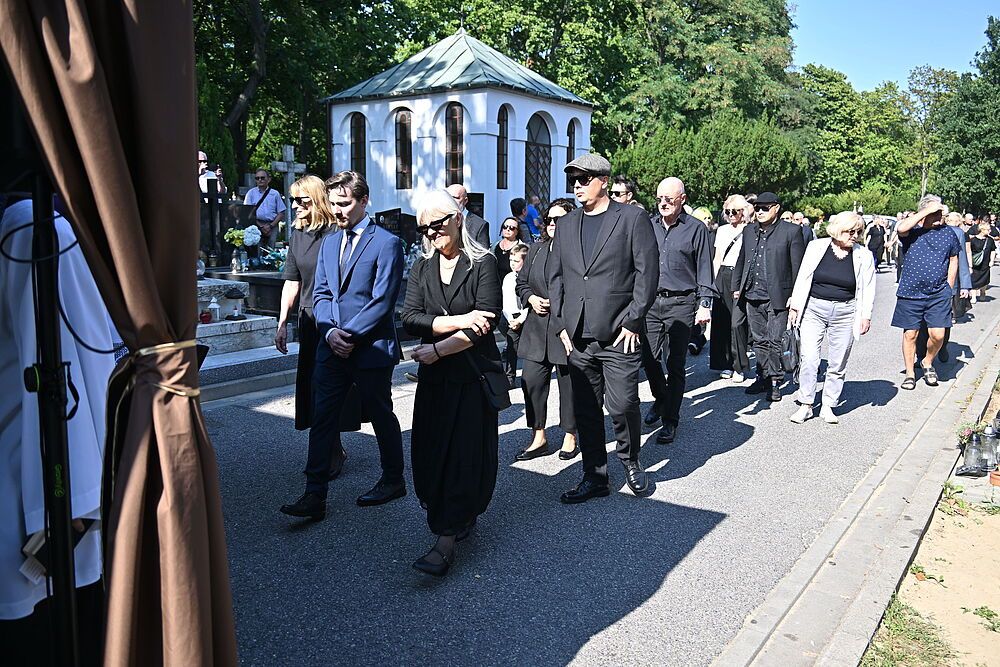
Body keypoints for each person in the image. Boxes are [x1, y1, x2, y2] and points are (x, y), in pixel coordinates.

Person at [0, 200, 114, 657]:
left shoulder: (33, 224)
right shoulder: (32, 227)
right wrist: (76, 511)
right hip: (30, 500)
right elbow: (79, 379)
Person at [279, 171, 405, 520]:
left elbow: (383, 300)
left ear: (364, 201)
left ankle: (394, 479)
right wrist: (330, 332)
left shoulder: (386, 243)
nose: (337, 210)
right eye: (333, 203)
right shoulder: (331, 241)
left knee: (380, 413)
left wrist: (349, 334)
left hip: (370, 347)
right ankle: (314, 493)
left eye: (345, 203)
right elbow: (319, 292)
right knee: (323, 419)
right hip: (330, 345)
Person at [401, 190, 501, 577]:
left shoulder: (483, 263)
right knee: (430, 450)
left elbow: (485, 323)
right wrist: (458, 321)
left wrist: (439, 349)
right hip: (435, 378)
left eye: (437, 224)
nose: (431, 234)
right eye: (424, 228)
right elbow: (410, 317)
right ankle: (452, 515)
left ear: (458, 218)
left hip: (471, 377)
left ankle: (444, 542)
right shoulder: (422, 267)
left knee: (463, 456)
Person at [549, 153, 658, 502]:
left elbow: (646, 273)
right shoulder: (566, 225)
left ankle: (630, 461)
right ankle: (594, 475)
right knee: (585, 409)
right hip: (578, 335)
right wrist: (562, 324)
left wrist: (634, 319)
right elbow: (557, 279)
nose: (578, 186)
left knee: (624, 403)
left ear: (604, 181)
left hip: (619, 332)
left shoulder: (631, 218)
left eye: (584, 179)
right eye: (574, 181)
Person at [274, 175, 346, 478]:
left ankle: (329, 451)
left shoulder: (336, 232)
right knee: (313, 385)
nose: (295, 206)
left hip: (333, 317)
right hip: (308, 320)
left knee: (328, 386)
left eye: (301, 200)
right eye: (292, 200)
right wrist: (281, 323)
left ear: (317, 199)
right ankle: (329, 448)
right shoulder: (298, 234)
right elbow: (292, 281)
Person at [641, 178, 715, 444]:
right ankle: (662, 399)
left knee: (676, 364)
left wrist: (705, 304)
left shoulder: (696, 229)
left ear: (682, 199)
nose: (663, 203)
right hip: (650, 302)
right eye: (659, 198)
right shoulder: (648, 226)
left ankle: (670, 420)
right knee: (648, 359)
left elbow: (705, 268)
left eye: (669, 199)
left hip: (682, 303)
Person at [787, 212, 876, 425]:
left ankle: (828, 404)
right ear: (837, 230)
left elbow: (869, 286)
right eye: (850, 231)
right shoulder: (817, 247)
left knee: (838, 362)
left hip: (846, 312)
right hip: (814, 309)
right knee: (809, 358)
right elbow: (803, 276)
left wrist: (866, 315)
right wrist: (796, 306)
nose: (854, 235)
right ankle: (806, 403)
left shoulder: (863, 255)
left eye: (858, 232)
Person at [515, 198, 579, 461]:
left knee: (569, 385)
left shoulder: (578, 251)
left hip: (564, 327)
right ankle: (538, 435)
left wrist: (557, 303)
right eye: (549, 219)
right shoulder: (536, 249)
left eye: (559, 219)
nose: (552, 224)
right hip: (536, 328)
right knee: (531, 381)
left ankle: (570, 434)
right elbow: (521, 283)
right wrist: (530, 298)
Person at [731, 192, 805, 402]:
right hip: (752, 293)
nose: (760, 212)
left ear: (776, 208)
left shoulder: (791, 231)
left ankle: (774, 381)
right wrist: (736, 286)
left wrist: (795, 296)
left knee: (774, 341)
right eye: (758, 208)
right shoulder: (749, 231)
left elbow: (798, 267)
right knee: (758, 341)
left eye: (765, 208)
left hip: (778, 297)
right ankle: (762, 376)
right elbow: (742, 260)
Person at [892, 195, 960, 390]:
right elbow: (900, 229)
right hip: (911, 292)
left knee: (938, 335)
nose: (940, 216)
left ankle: (927, 361)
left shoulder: (949, 233)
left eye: (941, 213)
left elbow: (954, 259)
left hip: (938, 293)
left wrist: (949, 286)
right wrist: (926, 211)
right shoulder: (913, 232)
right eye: (936, 213)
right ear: (924, 214)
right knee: (910, 335)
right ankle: (910, 373)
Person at [710, 194, 752, 382]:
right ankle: (723, 363)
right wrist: (712, 282)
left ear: (743, 211)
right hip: (723, 275)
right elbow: (717, 257)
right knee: (721, 321)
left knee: (737, 323)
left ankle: (739, 366)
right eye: (727, 211)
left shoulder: (750, 230)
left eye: (734, 211)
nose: (731, 214)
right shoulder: (722, 230)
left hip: (741, 275)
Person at [501, 242, 530, 388]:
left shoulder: (531, 277)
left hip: (528, 315)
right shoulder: (508, 278)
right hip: (513, 316)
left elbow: (530, 302)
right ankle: (509, 376)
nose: (512, 264)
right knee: (511, 344)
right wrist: (512, 320)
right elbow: (506, 303)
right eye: (511, 260)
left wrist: (521, 319)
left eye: (516, 261)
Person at [243, 168, 286, 247]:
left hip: (272, 225)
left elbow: (281, 212)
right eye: (257, 178)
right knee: (257, 250)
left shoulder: (275, 194)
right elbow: (247, 212)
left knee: (271, 251)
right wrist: (261, 226)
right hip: (256, 226)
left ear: (268, 179)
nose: (260, 180)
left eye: (262, 178)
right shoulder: (250, 193)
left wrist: (270, 226)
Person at [446, 183, 490, 248]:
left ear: (465, 200)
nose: (451, 201)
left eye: (455, 198)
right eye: (448, 198)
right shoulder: (438, 220)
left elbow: (484, 255)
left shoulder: (479, 225)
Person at [969, 221, 996, 301]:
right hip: (975, 264)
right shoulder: (973, 240)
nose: (990, 231)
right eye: (988, 229)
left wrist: (992, 261)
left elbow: (993, 250)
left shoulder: (990, 240)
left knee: (985, 280)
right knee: (973, 280)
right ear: (982, 230)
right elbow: (969, 251)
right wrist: (969, 262)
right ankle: (973, 297)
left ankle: (982, 292)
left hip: (985, 263)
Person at [493, 216, 524, 283]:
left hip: (512, 284)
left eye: (512, 228)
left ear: (517, 232)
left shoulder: (521, 248)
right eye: (505, 227)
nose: (508, 229)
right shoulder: (494, 246)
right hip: (495, 284)